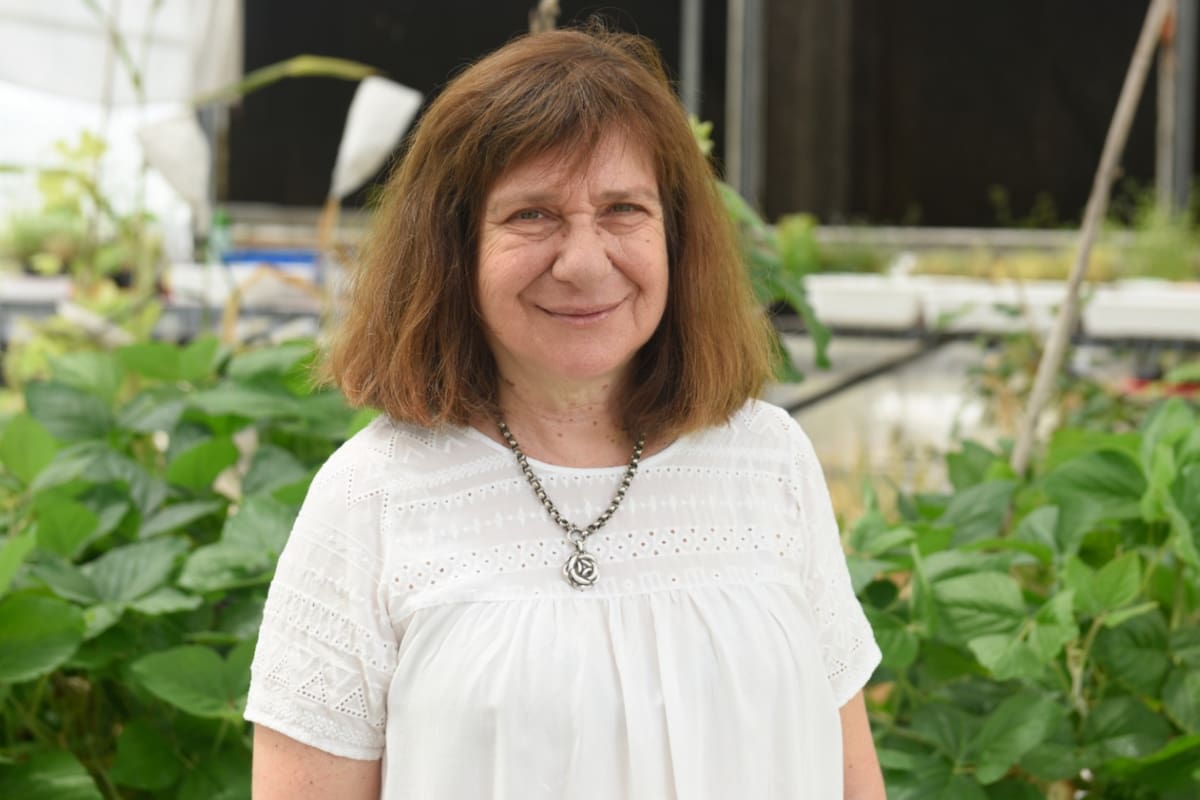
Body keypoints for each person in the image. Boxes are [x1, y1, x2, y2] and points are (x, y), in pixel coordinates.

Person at [245, 24, 885, 800]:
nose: (584, 263)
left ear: (678, 237)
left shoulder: (770, 461)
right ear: (453, 247)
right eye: (532, 215)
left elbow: (853, 781)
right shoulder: (372, 498)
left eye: (623, 209)